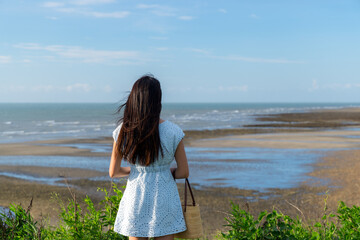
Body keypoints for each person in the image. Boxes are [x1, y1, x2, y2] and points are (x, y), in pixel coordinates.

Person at [109, 75, 189, 240]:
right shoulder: (174, 131)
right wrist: (166, 171)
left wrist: (138, 170)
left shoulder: (123, 131)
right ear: (158, 100)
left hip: (136, 195)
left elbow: (114, 172)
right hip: (165, 196)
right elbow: (184, 172)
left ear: (134, 99)